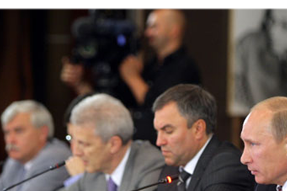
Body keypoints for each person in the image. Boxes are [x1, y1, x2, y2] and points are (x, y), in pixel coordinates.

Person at [83, 84, 255, 191]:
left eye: (168, 131)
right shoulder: (173, 169)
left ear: (198, 129)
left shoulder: (226, 166)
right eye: (158, 131)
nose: (159, 141)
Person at [5, 94, 165, 191]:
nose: (76, 152)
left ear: (113, 144)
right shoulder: (95, 170)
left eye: (85, 144)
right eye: (73, 141)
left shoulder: (149, 164)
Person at [61, 8, 201, 145]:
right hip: (137, 144)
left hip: (163, 148)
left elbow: (162, 108)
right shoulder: (151, 65)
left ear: (174, 30)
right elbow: (116, 104)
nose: (147, 33)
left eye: (154, 27)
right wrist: (79, 83)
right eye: (147, 27)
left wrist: (133, 78)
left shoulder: (184, 67)